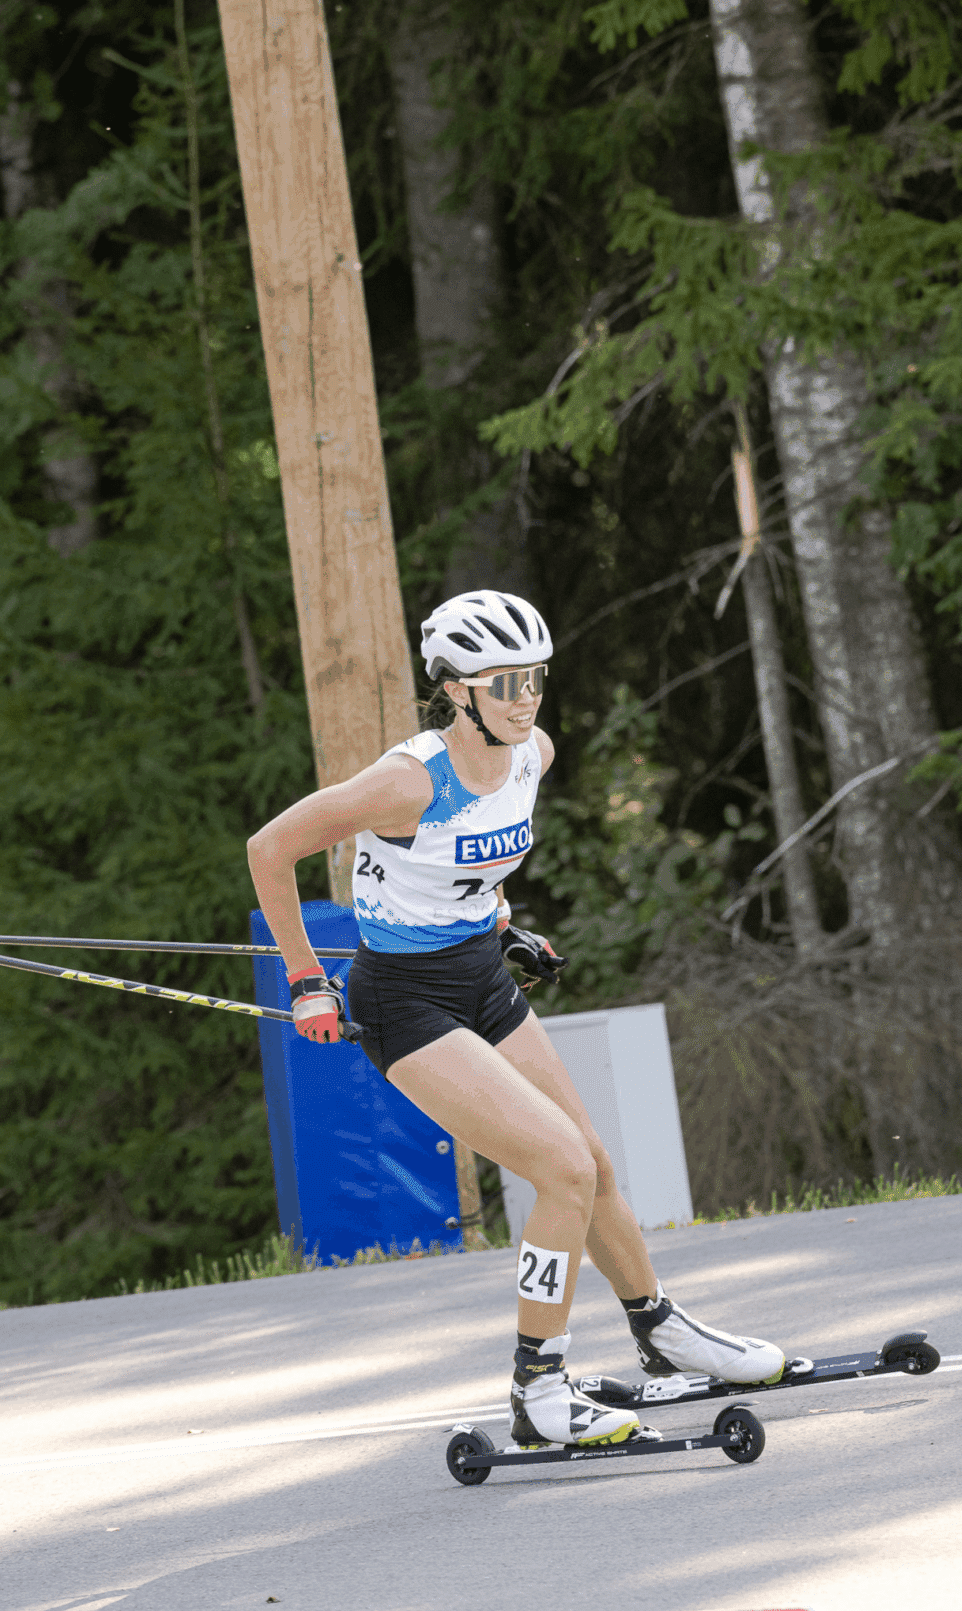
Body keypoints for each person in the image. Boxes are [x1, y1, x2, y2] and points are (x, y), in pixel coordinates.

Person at [247, 590, 785, 1446]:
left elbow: (472, 862)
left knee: (593, 1163)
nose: (525, 696)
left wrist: (503, 922)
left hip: (479, 975)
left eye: (534, 677)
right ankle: (538, 1388)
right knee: (562, 1168)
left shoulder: (533, 752)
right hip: (404, 999)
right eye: (504, 682)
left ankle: (661, 1331)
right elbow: (269, 848)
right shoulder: (408, 780)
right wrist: (308, 978)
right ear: (455, 690)